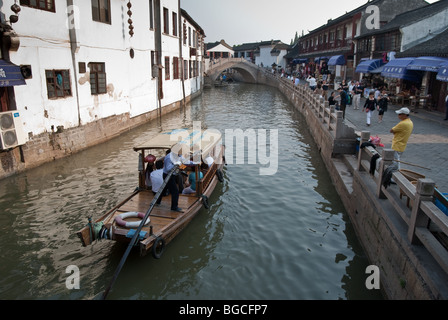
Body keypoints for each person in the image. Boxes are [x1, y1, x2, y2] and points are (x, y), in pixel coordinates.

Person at [156, 145, 195, 212]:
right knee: (175, 191)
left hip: (173, 174)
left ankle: (158, 201)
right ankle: (174, 207)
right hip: (168, 175)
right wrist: (176, 164)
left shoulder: (178, 156)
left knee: (164, 189)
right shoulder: (169, 157)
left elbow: (184, 161)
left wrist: (194, 163)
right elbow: (168, 168)